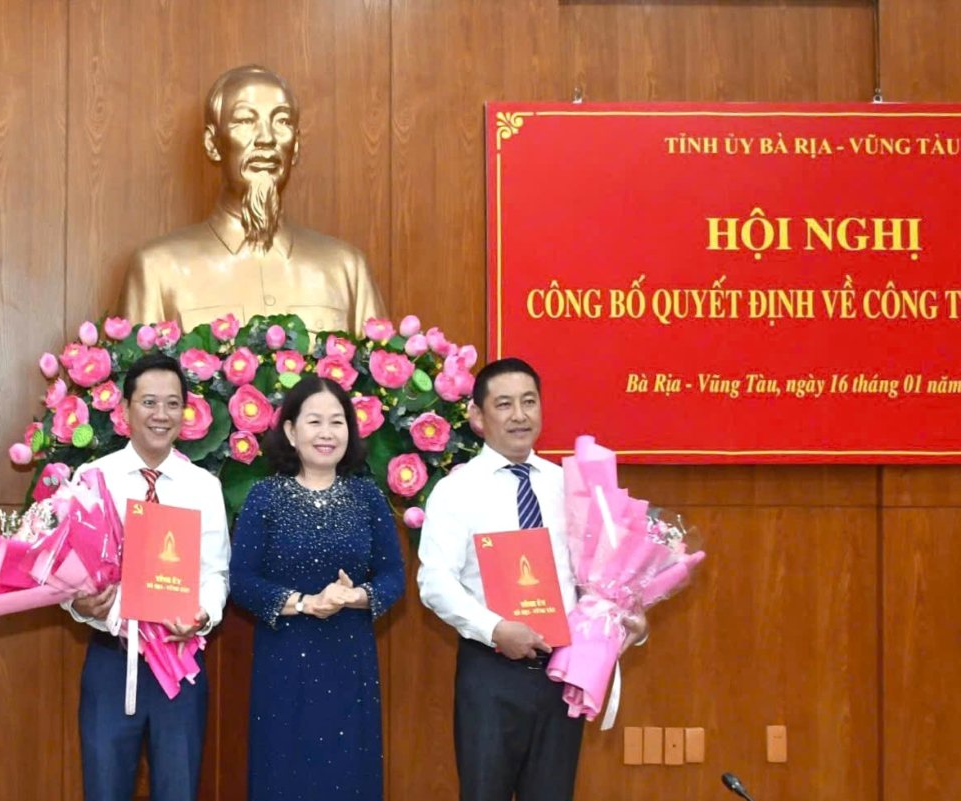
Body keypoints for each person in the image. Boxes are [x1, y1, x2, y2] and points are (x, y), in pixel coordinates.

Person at [417, 357, 646, 801]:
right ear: (478, 417)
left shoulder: (569, 486)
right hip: (491, 672)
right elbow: (435, 583)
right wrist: (495, 628)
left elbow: (594, 578)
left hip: (562, 672)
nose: (519, 415)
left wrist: (621, 619)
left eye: (529, 402)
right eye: (504, 404)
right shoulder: (456, 491)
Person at [64, 353, 231, 801]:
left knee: (178, 790)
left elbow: (215, 573)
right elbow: (70, 571)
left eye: (173, 404)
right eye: (149, 402)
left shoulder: (203, 486)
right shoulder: (93, 477)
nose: (161, 415)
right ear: (124, 410)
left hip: (178, 662)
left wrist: (204, 614)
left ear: (186, 413)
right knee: (104, 789)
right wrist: (78, 605)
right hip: (111, 658)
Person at [229, 375, 405, 801]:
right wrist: (305, 603)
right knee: (284, 771)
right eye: (314, 422)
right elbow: (242, 582)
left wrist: (355, 596)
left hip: (350, 658)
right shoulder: (264, 496)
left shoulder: (367, 496)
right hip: (285, 660)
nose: (327, 433)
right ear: (290, 431)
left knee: (348, 772)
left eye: (337, 422)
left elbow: (394, 576)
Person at [118, 64, 385, 334]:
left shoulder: (347, 270)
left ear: (296, 146)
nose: (266, 138)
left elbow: (382, 368)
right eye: (246, 120)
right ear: (212, 143)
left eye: (281, 121)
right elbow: (139, 374)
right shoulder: (158, 269)